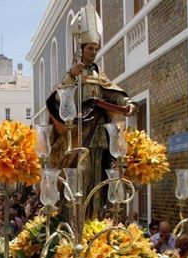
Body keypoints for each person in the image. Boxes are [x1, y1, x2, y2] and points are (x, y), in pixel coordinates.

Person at [45, 3, 137, 217]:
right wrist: (70, 77)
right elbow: (58, 100)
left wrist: (127, 103)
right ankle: (73, 219)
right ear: (81, 48)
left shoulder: (98, 73)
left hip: (98, 133)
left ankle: (94, 218)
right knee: (79, 176)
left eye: (96, 49)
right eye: (90, 49)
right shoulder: (73, 73)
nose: (93, 52)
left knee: (98, 177)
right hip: (77, 134)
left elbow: (112, 92)